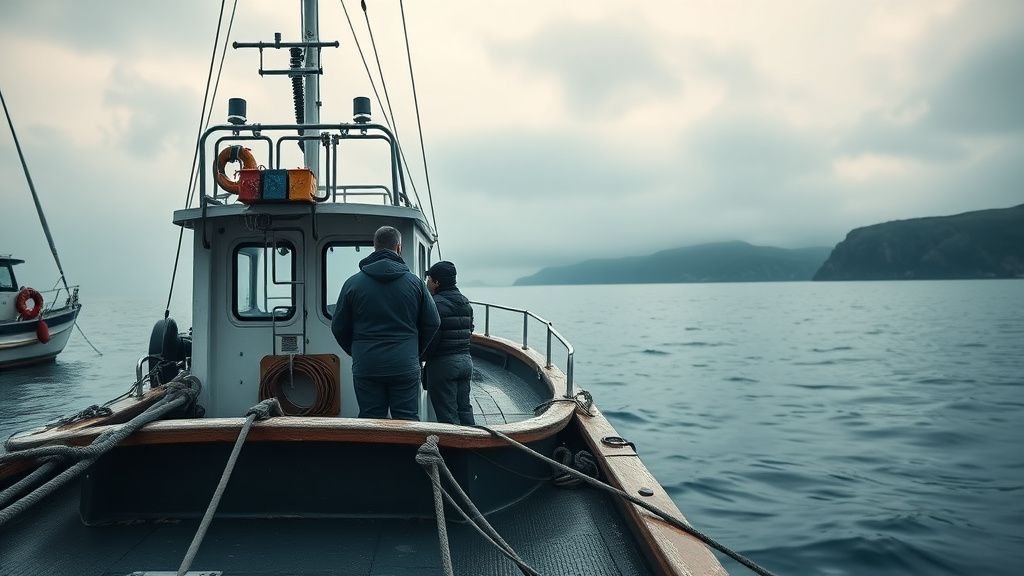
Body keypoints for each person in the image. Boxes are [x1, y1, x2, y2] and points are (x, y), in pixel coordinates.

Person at [332, 226, 439, 420]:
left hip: (367, 363)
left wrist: (356, 349)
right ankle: (408, 452)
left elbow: (338, 326)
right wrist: (415, 351)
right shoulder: (415, 284)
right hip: (404, 363)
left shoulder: (352, 283)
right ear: (398, 247)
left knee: (371, 419)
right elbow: (433, 322)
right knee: (406, 419)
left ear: (375, 247)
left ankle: (375, 452)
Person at [422, 260, 475, 425]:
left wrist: (421, 357)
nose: (427, 283)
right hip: (466, 362)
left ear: (437, 282)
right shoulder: (466, 302)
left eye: (429, 279)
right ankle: (472, 445)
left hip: (443, 365)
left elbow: (431, 337)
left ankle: (453, 451)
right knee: (464, 409)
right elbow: (470, 330)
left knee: (448, 417)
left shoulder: (434, 304)